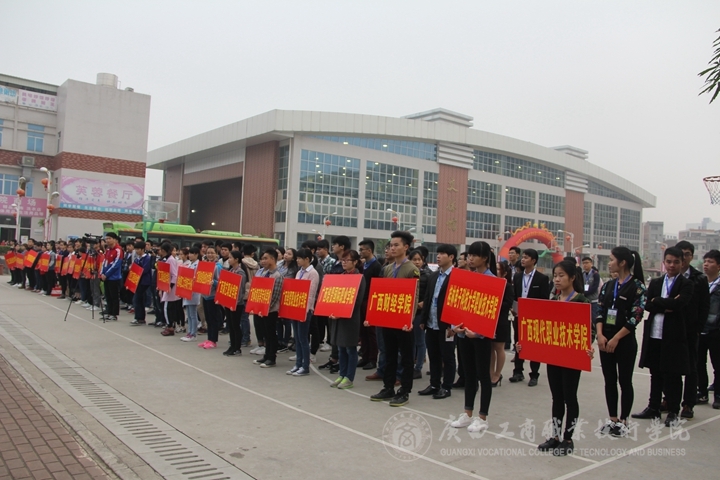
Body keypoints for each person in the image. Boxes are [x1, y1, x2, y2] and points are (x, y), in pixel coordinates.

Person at [524, 260, 595, 456]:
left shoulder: (581, 301)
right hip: (554, 356)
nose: (557, 279)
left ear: (572, 278)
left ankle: (568, 438)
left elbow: (589, 330)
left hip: (572, 357)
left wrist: (588, 347)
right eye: (555, 275)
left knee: (570, 397)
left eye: (561, 275)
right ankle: (555, 436)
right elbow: (543, 328)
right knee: (556, 397)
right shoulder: (553, 300)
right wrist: (526, 344)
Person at [449, 241, 512, 433]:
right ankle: (467, 413)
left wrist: (479, 332)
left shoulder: (493, 281)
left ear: (485, 258)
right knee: (468, 374)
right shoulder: (466, 277)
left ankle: (482, 416)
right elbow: (457, 304)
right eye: (469, 255)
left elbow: (493, 314)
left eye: (474, 255)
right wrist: (455, 326)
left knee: (483, 376)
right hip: (464, 334)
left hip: (481, 337)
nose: (470, 259)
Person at [633, 247, 694, 427]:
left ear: (682, 263)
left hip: (673, 335)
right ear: (664, 262)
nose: (672, 265)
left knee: (673, 374)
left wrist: (658, 302)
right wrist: (666, 304)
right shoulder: (656, 282)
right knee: (655, 372)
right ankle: (653, 407)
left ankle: (673, 410)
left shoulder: (686, 284)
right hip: (654, 333)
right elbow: (647, 304)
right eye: (669, 261)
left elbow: (680, 304)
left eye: (676, 262)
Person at [595, 247, 646, 438]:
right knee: (609, 380)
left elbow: (635, 317)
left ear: (622, 262)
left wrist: (616, 338)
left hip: (624, 341)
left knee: (625, 381)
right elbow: (600, 311)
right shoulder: (608, 285)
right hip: (605, 340)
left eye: (611, 259)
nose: (609, 263)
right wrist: (600, 335)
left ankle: (624, 420)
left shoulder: (638, 287)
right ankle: (612, 418)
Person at [369, 231, 420, 407]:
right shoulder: (387, 269)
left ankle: (404, 391)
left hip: (404, 322)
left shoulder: (411, 269)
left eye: (396, 245)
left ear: (406, 247)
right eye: (391, 245)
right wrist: (374, 315)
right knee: (389, 354)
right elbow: (382, 293)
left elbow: (414, 297)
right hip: (388, 319)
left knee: (406, 358)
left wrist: (410, 320)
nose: (392, 248)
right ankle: (388, 387)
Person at [675, 240, 710, 419]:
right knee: (670, 367)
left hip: (691, 329)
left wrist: (698, 328)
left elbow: (705, 306)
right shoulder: (669, 277)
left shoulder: (699, 279)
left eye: (687, 254)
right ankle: (669, 400)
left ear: (691, 256)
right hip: (672, 329)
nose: (684, 257)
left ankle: (688, 403)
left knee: (691, 367)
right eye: (681, 254)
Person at [418, 244, 458, 400]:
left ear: (451, 257)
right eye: (438, 253)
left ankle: (446, 386)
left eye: (442, 253)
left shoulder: (457, 276)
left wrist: (453, 325)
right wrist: (424, 319)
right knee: (433, 355)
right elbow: (428, 298)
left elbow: (457, 303)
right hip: (431, 322)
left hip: (447, 325)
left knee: (447, 356)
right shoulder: (434, 276)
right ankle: (434, 384)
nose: (438, 256)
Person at [510, 248, 550, 386]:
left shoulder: (542, 278)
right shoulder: (517, 277)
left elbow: (544, 299)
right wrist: (513, 308)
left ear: (533, 260)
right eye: (523, 257)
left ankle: (534, 374)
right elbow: (515, 295)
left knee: (534, 346)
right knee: (518, 343)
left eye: (526, 257)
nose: (523, 259)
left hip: (534, 317)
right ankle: (518, 371)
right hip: (519, 315)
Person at [328, 250, 367, 389]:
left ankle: (349, 377)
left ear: (355, 262)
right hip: (338, 317)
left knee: (350, 348)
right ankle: (342, 374)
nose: (344, 263)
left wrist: (342, 313)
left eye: (347, 260)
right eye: (342, 260)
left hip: (351, 318)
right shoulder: (341, 276)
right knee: (341, 348)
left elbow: (357, 302)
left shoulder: (359, 278)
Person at [288, 248, 320, 376]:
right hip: (296, 308)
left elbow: (311, 294)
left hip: (305, 310)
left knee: (303, 339)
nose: (297, 260)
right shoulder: (299, 272)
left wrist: (305, 311)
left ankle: (305, 366)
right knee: (297, 338)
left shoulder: (313, 273)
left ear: (307, 259)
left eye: (300, 258)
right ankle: (298, 364)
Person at [251, 249, 284, 368]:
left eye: (266, 258)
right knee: (265, 333)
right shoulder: (264, 273)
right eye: (262, 259)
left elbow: (275, 296)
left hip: (271, 310)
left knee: (271, 334)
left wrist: (266, 308)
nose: (263, 261)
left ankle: (271, 357)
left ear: (273, 259)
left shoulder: (277, 275)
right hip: (262, 309)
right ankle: (266, 355)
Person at [699, 249, 720, 409]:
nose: (706, 264)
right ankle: (702, 392)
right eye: (705, 261)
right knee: (699, 363)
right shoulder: (700, 283)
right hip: (700, 329)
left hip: (716, 330)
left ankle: (718, 395)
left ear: (719, 266)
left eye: (710, 262)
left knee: (717, 363)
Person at [358, 239, 382, 371]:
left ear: (369, 250)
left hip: (370, 301)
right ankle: (365, 356)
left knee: (371, 331)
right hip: (362, 300)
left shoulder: (376, 266)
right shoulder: (363, 266)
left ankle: (372, 359)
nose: (360, 252)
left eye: (362, 249)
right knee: (363, 331)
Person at [410, 249, 431, 380]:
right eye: (414, 259)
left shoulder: (427, 275)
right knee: (411, 341)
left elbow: (429, 293)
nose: (417, 262)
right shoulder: (408, 274)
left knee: (420, 341)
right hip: (408, 312)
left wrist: (422, 303)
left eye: (419, 259)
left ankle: (418, 368)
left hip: (419, 313)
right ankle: (410, 365)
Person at [198, 246, 224, 349]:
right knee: (208, 318)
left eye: (212, 253)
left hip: (213, 296)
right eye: (208, 253)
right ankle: (209, 338)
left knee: (213, 319)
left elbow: (221, 282)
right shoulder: (205, 265)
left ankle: (213, 340)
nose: (210, 255)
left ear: (216, 254)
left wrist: (214, 282)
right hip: (205, 295)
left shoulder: (218, 267)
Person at [492, 261, 513, 383]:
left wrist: (494, 303)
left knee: (499, 347)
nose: (495, 271)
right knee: (490, 348)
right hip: (490, 320)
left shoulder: (508, 286)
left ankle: (497, 374)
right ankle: (490, 373)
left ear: (504, 273)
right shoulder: (491, 283)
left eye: (498, 269)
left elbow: (508, 303)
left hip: (501, 321)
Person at [223, 251, 248, 356]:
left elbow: (240, 290)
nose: (229, 260)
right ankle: (232, 346)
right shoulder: (231, 270)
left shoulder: (240, 272)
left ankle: (237, 348)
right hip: (229, 302)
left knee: (235, 325)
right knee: (231, 325)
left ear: (237, 259)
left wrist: (235, 303)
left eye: (231, 258)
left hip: (237, 304)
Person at [180, 247, 202, 340]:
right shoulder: (190, 264)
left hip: (194, 292)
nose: (190, 255)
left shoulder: (198, 265)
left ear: (196, 254)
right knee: (188, 314)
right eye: (189, 253)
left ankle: (193, 333)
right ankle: (189, 332)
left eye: (191, 253)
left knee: (193, 314)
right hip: (187, 290)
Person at [100, 233, 123, 321]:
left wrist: (107, 274)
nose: (107, 240)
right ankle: (109, 312)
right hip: (106, 277)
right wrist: (102, 273)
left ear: (114, 239)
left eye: (109, 238)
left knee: (114, 296)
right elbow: (104, 262)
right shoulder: (108, 250)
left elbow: (116, 265)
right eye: (106, 239)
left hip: (114, 277)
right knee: (108, 296)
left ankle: (114, 314)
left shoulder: (118, 250)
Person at [581, 257, 601, 324]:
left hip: (593, 301)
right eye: (583, 263)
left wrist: (585, 293)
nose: (585, 265)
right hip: (584, 300)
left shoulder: (595, 274)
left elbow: (595, 287)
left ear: (591, 263)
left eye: (587, 263)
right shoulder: (582, 274)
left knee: (593, 318)